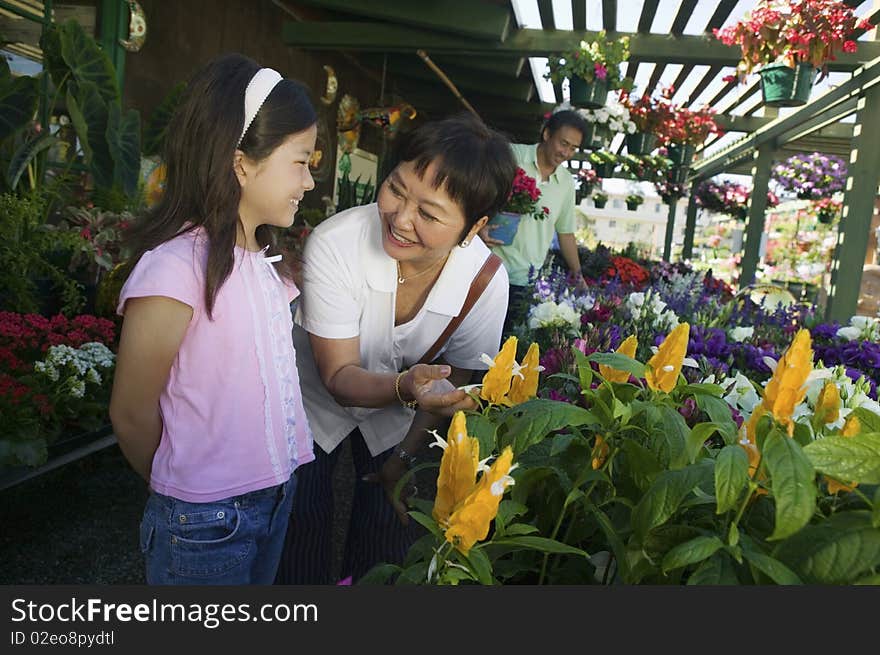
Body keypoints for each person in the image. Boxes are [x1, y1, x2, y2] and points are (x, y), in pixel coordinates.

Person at [276, 114, 516, 584]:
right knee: (300, 532)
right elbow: (338, 377)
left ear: (474, 226)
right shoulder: (337, 243)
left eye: (428, 214)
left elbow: (454, 383)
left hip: (402, 415)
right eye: (396, 189)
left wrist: (404, 458)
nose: (401, 218)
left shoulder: (484, 281)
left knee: (388, 543)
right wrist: (407, 387)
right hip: (313, 404)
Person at [109, 53, 317, 585]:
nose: (309, 182)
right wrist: (185, 478)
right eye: (300, 162)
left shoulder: (268, 263)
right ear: (241, 161)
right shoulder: (176, 269)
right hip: (204, 522)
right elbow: (132, 413)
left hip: (275, 497)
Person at [479, 109, 590, 332]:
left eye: (573, 148)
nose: (566, 152)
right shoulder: (512, 156)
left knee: (504, 347)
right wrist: (478, 228)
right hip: (484, 268)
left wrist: (578, 275)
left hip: (525, 280)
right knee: (467, 345)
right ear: (547, 134)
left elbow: (565, 232)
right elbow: (475, 193)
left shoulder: (566, 182)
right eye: (563, 143)